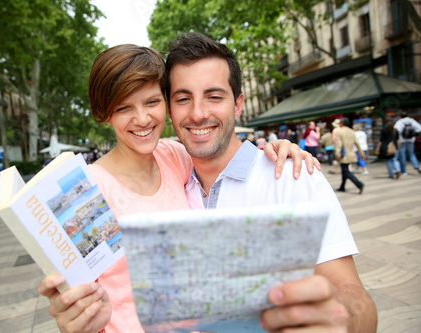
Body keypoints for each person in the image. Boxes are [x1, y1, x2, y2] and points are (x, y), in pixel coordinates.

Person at [37, 44, 320, 333]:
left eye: (151, 102)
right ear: (104, 114)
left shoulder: (173, 156)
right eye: (123, 108)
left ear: (167, 104)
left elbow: (223, 155)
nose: (143, 119)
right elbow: (82, 301)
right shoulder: (85, 192)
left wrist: (276, 149)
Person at [164, 32, 376, 332]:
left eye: (214, 96)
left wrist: (341, 321)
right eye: (183, 99)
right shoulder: (170, 185)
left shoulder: (292, 177)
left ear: (237, 105)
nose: (198, 114)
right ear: (170, 109)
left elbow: (351, 292)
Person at [335, 117, 366, 194]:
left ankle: (359, 184)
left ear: (342, 123)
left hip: (343, 155)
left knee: (346, 171)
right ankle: (342, 187)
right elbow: (357, 144)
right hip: (351, 154)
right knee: (344, 170)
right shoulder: (352, 131)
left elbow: (339, 145)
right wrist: (362, 154)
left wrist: (337, 154)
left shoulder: (339, 132)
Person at [394, 111, 421, 175]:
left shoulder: (399, 122)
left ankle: (403, 171)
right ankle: (416, 165)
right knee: (411, 154)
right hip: (411, 140)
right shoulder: (411, 121)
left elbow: (396, 130)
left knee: (402, 156)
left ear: (400, 116)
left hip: (402, 141)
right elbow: (419, 129)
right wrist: (414, 134)